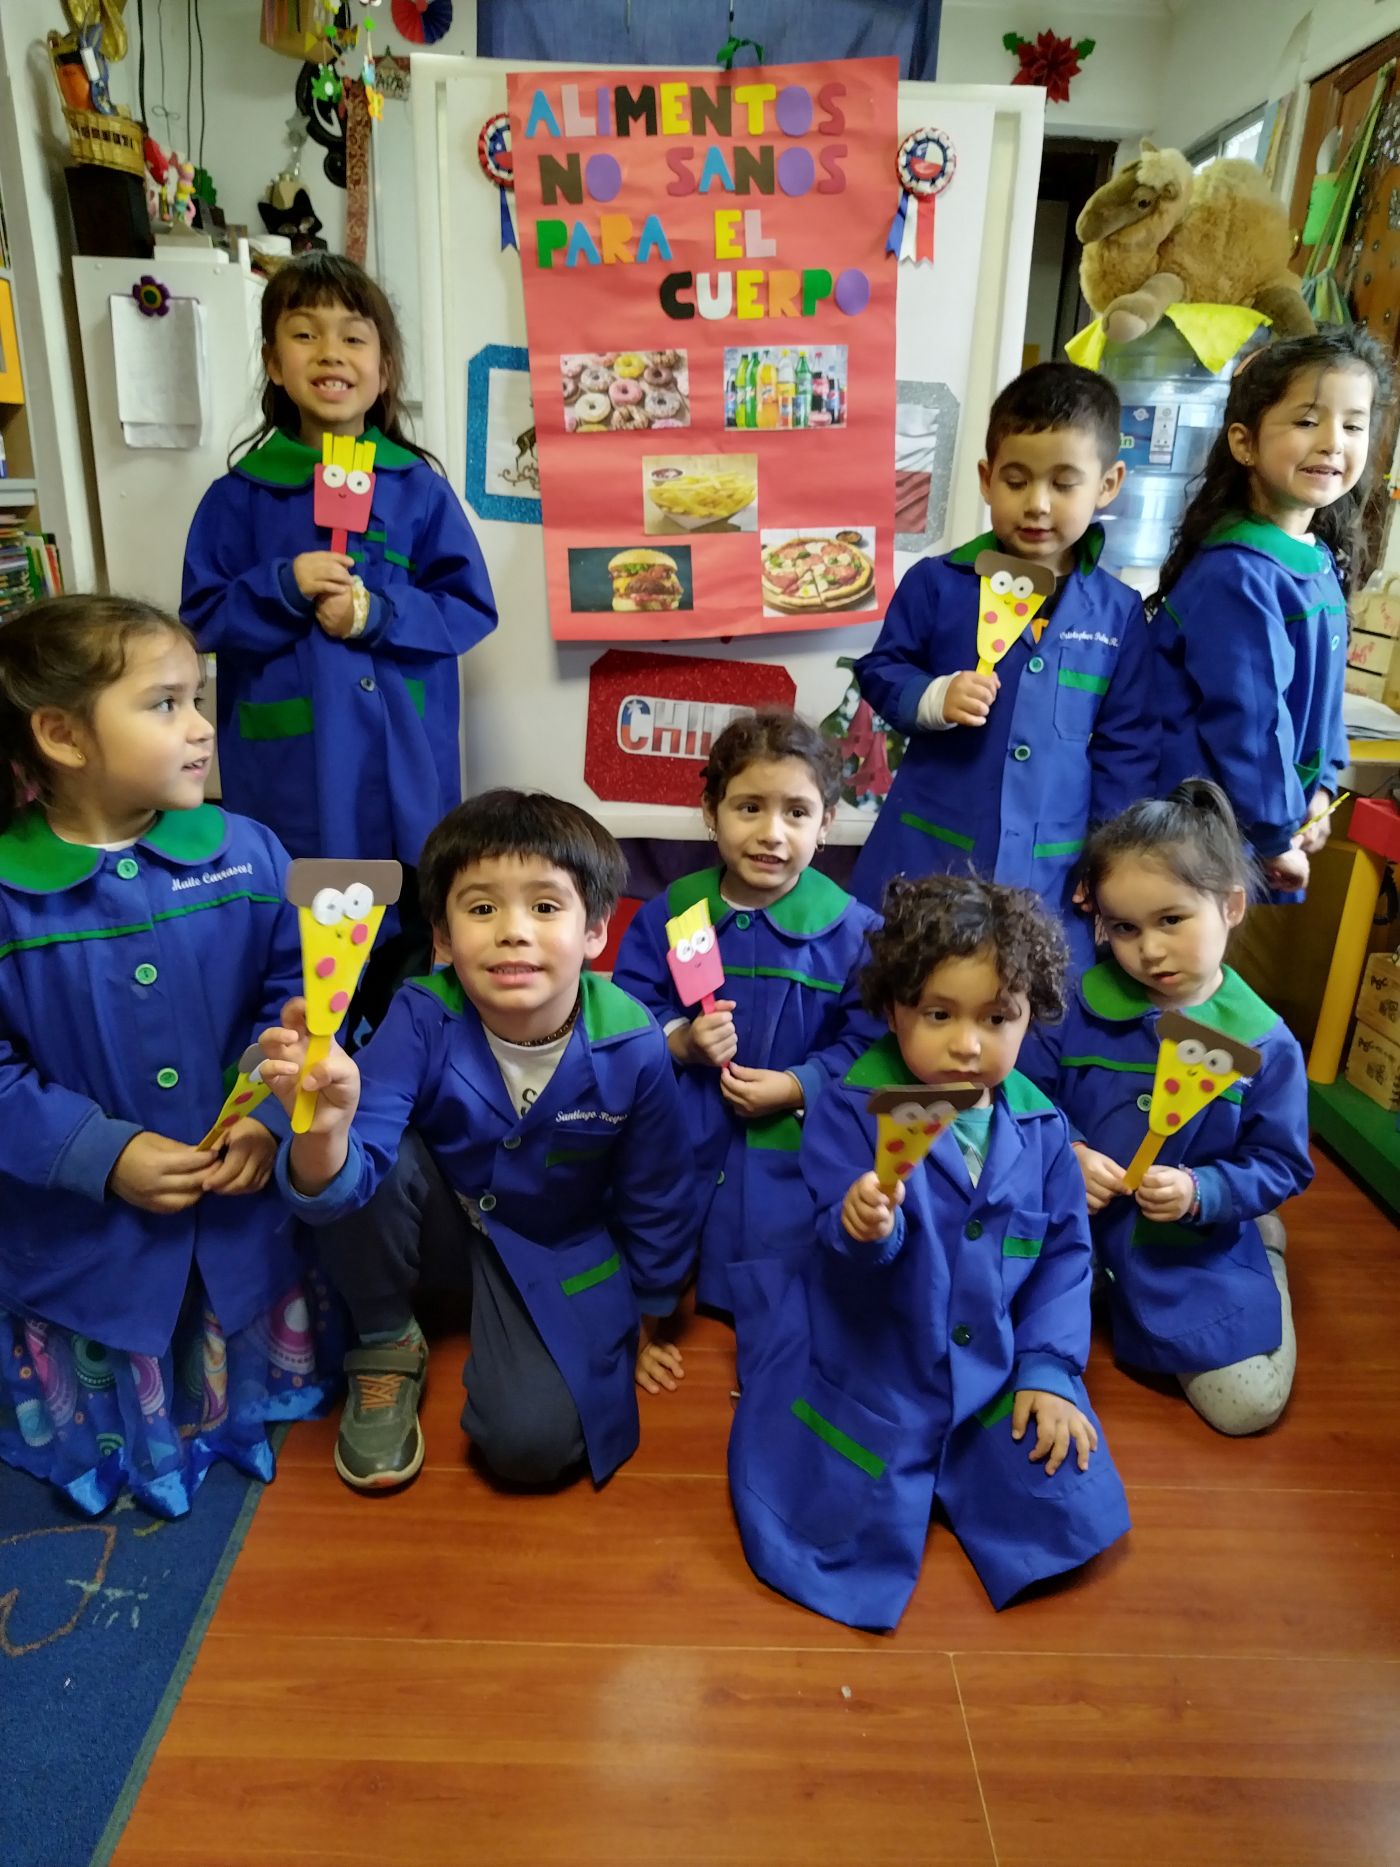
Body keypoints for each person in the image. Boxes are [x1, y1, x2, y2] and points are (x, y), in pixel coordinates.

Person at [258, 790, 698, 1492]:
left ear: (595, 931)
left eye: (546, 907)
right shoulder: (421, 1013)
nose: (512, 931)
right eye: (482, 907)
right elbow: (337, 1191)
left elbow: (661, 1191)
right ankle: (385, 1340)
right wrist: (324, 1124)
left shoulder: (634, 1043)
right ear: (441, 937)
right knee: (380, 1147)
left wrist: (647, 1313)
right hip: (436, 1224)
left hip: (553, 1247)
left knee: (532, 1447)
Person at [0, 597, 336, 1516]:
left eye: (199, 699)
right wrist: (99, 1153)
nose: (200, 729)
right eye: (165, 704)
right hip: (78, 1230)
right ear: (63, 735)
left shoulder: (252, 851)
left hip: (233, 1201)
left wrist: (270, 1119)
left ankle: (230, 1418)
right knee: (109, 1303)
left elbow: (299, 1001)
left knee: (229, 1289)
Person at [727, 874, 1129, 1630]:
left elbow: (1064, 1258)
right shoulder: (852, 1105)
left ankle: (982, 1451)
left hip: (991, 1366)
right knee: (827, 1511)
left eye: (997, 1018)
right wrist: (864, 1227)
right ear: (892, 1010)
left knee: (1068, 1501)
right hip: (871, 1346)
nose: (968, 1043)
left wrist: (1048, 1370)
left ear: (1029, 1019)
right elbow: (835, 1243)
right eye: (938, 1014)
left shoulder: (1044, 1130)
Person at [182, 253, 498, 1012]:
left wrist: (378, 613)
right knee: (311, 917)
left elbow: (468, 606)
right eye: (304, 334)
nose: (330, 353)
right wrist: (282, 586)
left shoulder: (417, 488)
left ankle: (401, 1056)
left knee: (412, 910)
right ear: (273, 363)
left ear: (383, 369)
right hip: (298, 765)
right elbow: (202, 614)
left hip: (403, 757)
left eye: (353, 338)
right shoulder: (239, 496)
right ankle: (314, 1060)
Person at [1019, 781, 1311, 1436]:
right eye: (1123, 927)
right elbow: (1024, 1101)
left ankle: (1267, 1254)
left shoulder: (1264, 1041)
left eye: (1170, 919)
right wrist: (1067, 1149)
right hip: (1074, 1231)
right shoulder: (1072, 1005)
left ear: (1231, 905)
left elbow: (1281, 1164)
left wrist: (1201, 1190)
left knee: (1245, 1408)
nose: (1147, 948)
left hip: (1189, 1247)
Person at [849, 362, 1154, 972]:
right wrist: (932, 697)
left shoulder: (1119, 614)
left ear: (1108, 483)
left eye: (1064, 484)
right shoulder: (939, 584)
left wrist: (1111, 859)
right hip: (930, 855)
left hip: (1052, 870)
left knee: (1025, 1006)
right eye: (1017, 481)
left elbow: (1128, 749)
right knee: (905, 988)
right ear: (988, 480)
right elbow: (883, 669)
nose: (1037, 505)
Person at [612, 709, 883, 1313]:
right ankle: (654, 1307)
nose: (772, 833)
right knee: (658, 1236)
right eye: (748, 807)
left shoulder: (856, 934)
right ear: (712, 813)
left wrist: (797, 1085)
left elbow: (872, 1043)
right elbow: (631, 1007)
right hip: (685, 1125)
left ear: (825, 824)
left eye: (796, 812)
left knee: (782, 1277)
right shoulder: (676, 913)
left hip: (800, 1139)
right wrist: (680, 1039)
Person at [1152, 326, 1391, 896]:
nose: (1334, 441)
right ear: (1244, 442)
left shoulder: (1312, 559)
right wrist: (1278, 829)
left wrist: (1321, 788)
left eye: (1353, 425)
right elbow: (1250, 721)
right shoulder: (1239, 572)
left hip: (1246, 822)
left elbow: (1325, 699)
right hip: (1190, 830)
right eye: (1307, 421)